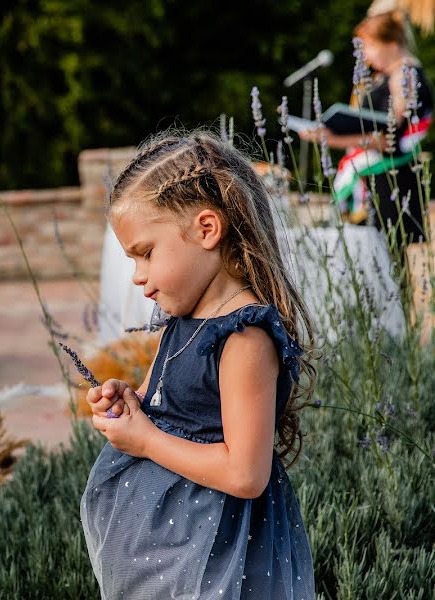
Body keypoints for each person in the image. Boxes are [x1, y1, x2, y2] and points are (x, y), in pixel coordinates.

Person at [80, 132, 316, 598]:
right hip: (174, 549)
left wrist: (145, 441)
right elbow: (157, 402)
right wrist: (126, 403)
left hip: (218, 553)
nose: (138, 277)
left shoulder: (243, 337)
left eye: (146, 253)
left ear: (207, 229)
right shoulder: (184, 319)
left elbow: (245, 475)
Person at [301, 10, 432, 249]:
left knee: (387, 261)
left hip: (391, 181)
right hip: (379, 178)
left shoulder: (404, 76)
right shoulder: (389, 74)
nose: (366, 56)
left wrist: (331, 139)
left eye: (369, 47)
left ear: (391, 44)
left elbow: (389, 138)